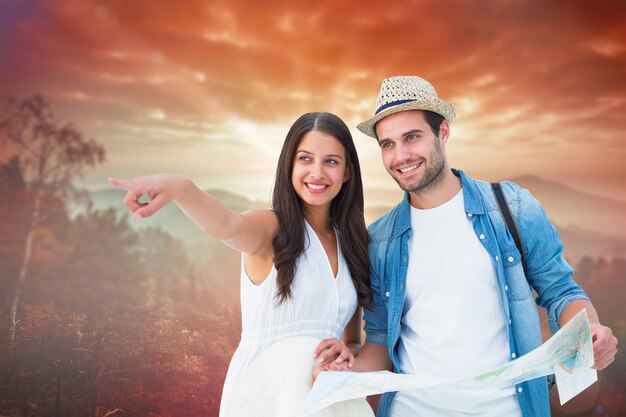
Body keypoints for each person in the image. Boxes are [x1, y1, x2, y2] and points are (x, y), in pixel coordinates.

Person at [335, 76, 618, 417]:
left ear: (442, 132)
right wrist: (344, 374)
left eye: (412, 137)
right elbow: (380, 339)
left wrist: (590, 332)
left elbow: (560, 293)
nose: (401, 155)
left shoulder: (512, 207)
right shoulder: (380, 239)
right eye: (388, 144)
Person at [108, 112, 375, 417]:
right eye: (305, 159)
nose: (316, 172)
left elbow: (352, 341)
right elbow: (227, 225)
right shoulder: (272, 227)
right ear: (289, 164)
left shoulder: (353, 245)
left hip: (324, 397)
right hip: (261, 392)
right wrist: (181, 188)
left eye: (330, 161)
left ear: (347, 172)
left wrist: (345, 353)